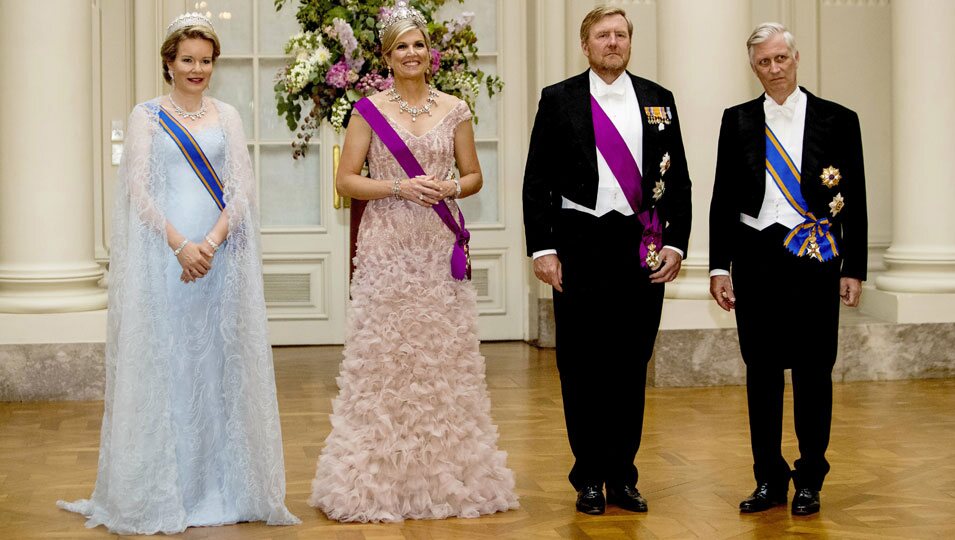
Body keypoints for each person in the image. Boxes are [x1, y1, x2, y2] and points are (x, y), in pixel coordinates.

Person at [56, 13, 299, 534]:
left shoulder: (228, 115)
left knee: (216, 368)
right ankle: (169, 488)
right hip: (167, 263)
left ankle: (223, 484)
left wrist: (209, 244)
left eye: (205, 61)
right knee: (173, 369)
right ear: (168, 62)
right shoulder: (147, 116)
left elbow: (243, 189)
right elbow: (136, 191)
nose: (197, 69)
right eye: (187, 60)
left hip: (218, 258)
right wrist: (180, 246)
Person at [307, 1, 518, 523]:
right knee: (388, 360)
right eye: (401, 45)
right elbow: (346, 179)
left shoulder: (456, 109)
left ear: (431, 53)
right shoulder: (368, 110)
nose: (411, 53)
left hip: (436, 247)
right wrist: (399, 185)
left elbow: (474, 176)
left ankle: (448, 477)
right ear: (386, 55)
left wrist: (450, 185)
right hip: (387, 247)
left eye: (419, 44)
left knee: (441, 362)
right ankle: (378, 480)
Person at [522, 6, 692, 515]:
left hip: (642, 243)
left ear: (629, 42)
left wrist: (679, 245)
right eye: (603, 35)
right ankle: (588, 476)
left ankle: (622, 474)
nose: (612, 42)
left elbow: (678, 180)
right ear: (586, 44)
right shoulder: (559, 99)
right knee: (580, 364)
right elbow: (537, 180)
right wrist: (544, 248)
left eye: (620, 34)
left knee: (630, 362)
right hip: (578, 244)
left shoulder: (659, 100)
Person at [708, 22, 867, 516]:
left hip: (815, 259)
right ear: (753, 68)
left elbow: (856, 198)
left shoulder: (838, 119)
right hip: (756, 259)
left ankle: (810, 479)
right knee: (762, 374)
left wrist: (853, 267)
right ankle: (769, 479)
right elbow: (722, 199)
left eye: (781, 59)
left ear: (796, 59)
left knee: (815, 372)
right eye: (763, 62)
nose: (773, 69)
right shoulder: (736, 120)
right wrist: (718, 266)